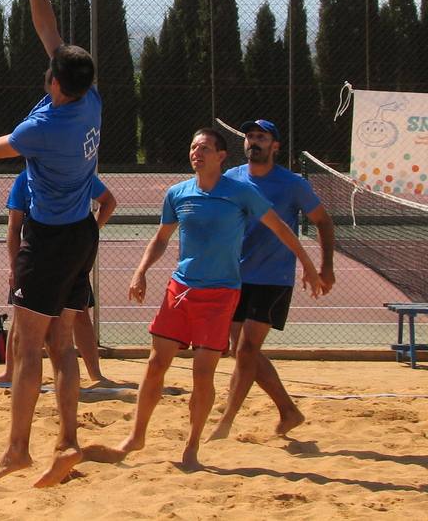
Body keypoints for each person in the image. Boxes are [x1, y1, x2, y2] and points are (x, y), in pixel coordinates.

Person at [86, 128, 324, 472]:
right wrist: (141, 271)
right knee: (156, 365)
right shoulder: (177, 193)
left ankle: (192, 446)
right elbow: (162, 238)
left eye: (205, 147)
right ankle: (136, 437)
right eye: (193, 146)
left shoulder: (240, 193)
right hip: (180, 290)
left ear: (221, 156)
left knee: (202, 373)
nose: (197, 152)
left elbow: (280, 227)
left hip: (221, 295)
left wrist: (307, 264)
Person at [0, 0, 102, 488]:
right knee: (62, 343)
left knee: (26, 347)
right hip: (81, 235)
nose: (45, 70)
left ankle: (18, 449)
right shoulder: (87, 95)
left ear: (55, 83)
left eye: (48, 70)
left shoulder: (44, 126)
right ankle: (68, 439)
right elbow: (49, 30)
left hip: (47, 243)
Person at [208, 119, 336, 440]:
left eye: (261, 137)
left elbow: (323, 221)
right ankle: (288, 411)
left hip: (273, 277)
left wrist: (325, 266)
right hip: (236, 275)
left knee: (248, 348)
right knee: (242, 351)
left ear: (275, 146)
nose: (254, 141)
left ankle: (226, 422)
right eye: (250, 137)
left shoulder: (291, 184)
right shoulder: (232, 179)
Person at [0, 170, 116, 386]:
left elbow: (109, 202)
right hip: (36, 257)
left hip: (71, 255)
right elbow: (14, 227)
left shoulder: (75, 171)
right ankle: (10, 373)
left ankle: (96, 375)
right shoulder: (25, 179)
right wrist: (13, 266)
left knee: (79, 313)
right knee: (21, 314)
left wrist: (90, 230)